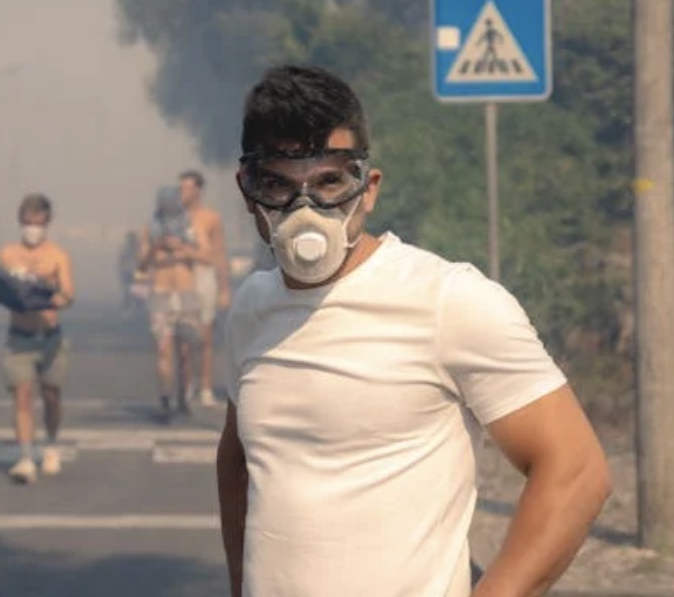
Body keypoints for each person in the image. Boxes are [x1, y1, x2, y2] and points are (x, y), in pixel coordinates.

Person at [216, 65, 612, 597]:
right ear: (248, 192)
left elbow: (576, 469)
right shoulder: (250, 310)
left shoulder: (447, 301)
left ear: (369, 188)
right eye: (279, 186)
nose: (305, 210)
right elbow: (239, 458)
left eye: (331, 181)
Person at [0, 193, 74, 484]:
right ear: (20, 222)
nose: (32, 228)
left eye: (37, 223)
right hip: (19, 337)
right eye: (27, 223)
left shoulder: (57, 256)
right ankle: (26, 457)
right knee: (23, 395)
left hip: (49, 337)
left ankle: (51, 445)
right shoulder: (7, 254)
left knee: (51, 395)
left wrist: (50, 296)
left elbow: (68, 293)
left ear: (47, 223)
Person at [139, 185, 212, 423]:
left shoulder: (190, 227)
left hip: (186, 294)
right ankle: (166, 397)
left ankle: (184, 396)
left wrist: (182, 248)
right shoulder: (150, 229)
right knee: (163, 349)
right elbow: (141, 264)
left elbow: (206, 256)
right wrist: (156, 247)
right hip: (161, 293)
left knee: (186, 350)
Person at [179, 170, 231, 407]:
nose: (183, 193)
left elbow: (219, 253)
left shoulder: (210, 218)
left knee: (205, 337)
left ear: (198, 190)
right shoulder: (174, 218)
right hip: (181, 278)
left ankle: (206, 388)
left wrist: (224, 288)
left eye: (188, 188)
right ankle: (186, 386)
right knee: (184, 339)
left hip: (204, 276)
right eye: (181, 188)